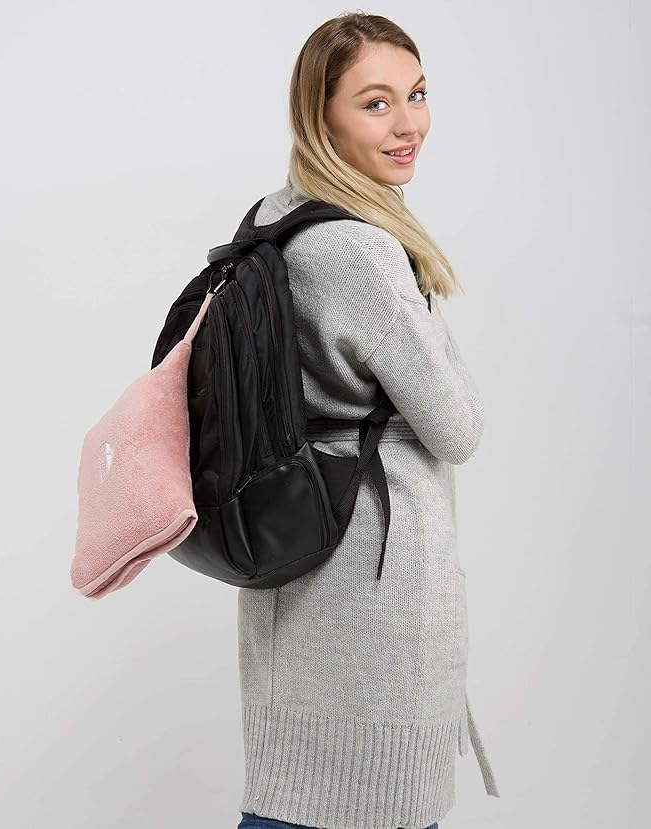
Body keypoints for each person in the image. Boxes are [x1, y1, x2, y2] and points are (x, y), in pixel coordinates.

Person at [235, 11, 499, 829]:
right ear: (320, 116)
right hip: (373, 600)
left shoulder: (273, 217)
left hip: (295, 570)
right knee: (355, 807)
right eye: (375, 103)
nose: (408, 124)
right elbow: (457, 426)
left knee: (289, 801)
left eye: (416, 95)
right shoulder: (359, 249)